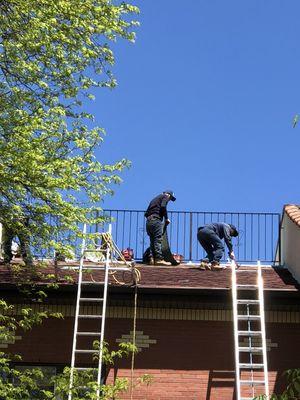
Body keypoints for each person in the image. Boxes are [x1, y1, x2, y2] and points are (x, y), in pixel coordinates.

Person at [144, 190, 176, 266]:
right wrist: (166, 218)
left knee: (152, 240)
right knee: (158, 239)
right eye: (170, 198)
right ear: (168, 194)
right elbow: (163, 206)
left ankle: (152, 258)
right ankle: (158, 259)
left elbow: (146, 213)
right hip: (156, 220)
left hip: (148, 222)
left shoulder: (154, 200)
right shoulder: (165, 196)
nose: (169, 200)